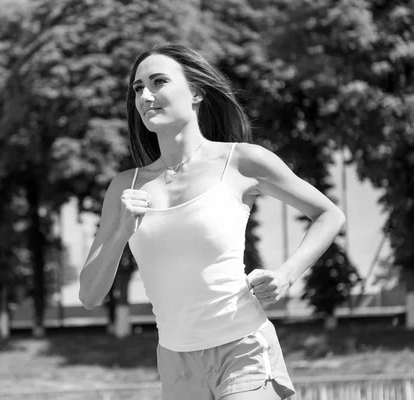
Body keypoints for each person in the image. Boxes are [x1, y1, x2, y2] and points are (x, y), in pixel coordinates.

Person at [79, 43, 345, 400]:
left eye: (158, 82)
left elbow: (329, 214)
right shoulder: (123, 188)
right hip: (175, 362)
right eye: (138, 88)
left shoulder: (241, 162)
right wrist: (121, 234)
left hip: (242, 348)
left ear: (197, 92)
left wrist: (286, 274)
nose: (145, 95)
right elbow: (90, 295)